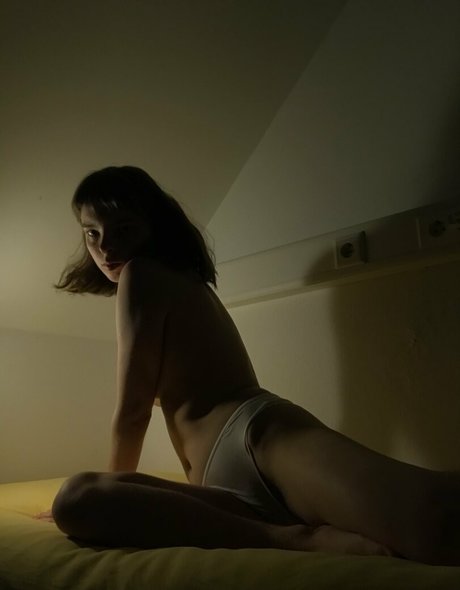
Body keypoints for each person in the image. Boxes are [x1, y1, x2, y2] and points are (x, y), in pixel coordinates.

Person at [49, 165, 459, 564]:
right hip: (227, 495)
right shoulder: (173, 281)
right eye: (92, 233)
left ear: (152, 226)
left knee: (437, 521)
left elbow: (133, 410)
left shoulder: (143, 274)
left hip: (257, 439)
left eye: (123, 229)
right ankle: (289, 538)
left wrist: (117, 487)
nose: (105, 247)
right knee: (75, 498)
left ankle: (298, 539)